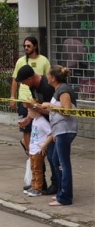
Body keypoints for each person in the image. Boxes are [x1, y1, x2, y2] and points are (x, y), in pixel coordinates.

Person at [39, 65, 78, 206]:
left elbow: (67, 112)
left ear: (53, 78)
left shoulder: (64, 90)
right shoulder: (58, 90)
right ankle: (61, 191)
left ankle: (66, 197)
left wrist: (50, 106)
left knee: (63, 163)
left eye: (48, 75)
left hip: (66, 130)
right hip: (59, 131)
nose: (46, 77)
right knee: (55, 159)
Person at [16, 64, 57, 193]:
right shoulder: (33, 86)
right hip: (41, 125)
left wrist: (34, 107)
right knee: (38, 156)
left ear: (30, 78)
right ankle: (39, 183)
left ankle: (56, 183)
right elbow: (37, 107)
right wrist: (28, 119)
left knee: (51, 156)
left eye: (24, 82)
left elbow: (51, 110)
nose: (24, 85)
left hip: (51, 125)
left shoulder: (46, 87)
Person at [10, 37, 50, 153]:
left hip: (38, 99)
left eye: (29, 46)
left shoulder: (44, 61)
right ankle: (30, 151)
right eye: (24, 46)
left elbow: (49, 78)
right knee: (26, 128)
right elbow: (14, 80)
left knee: (38, 126)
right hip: (24, 99)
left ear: (35, 46)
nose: (26, 48)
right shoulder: (20, 61)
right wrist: (13, 97)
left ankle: (40, 147)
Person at [23, 108, 52, 197]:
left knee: (37, 169)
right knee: (33, 169)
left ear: (35, 112)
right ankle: (34, 185)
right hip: (33, 148)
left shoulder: (42, 122)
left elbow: (51, 133)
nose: (28, 113)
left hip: (38, 150)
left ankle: (38, 188)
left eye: (29, 111)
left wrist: (44, 145)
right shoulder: (35, 120)